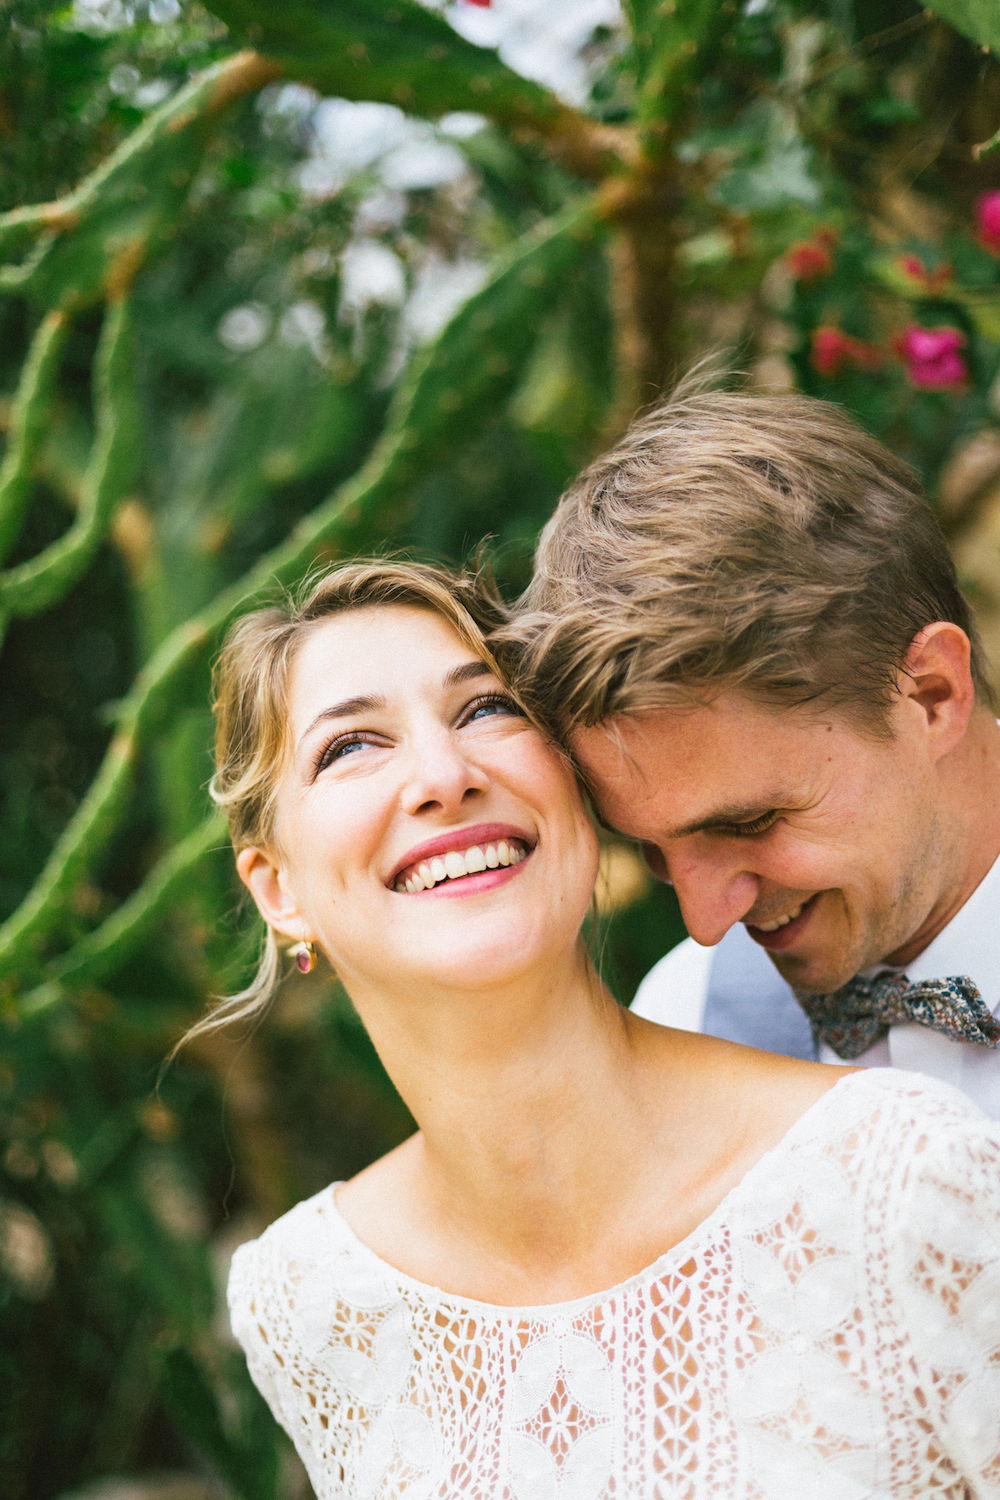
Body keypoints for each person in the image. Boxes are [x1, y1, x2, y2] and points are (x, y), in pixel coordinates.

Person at [213, 561, 999, 1499]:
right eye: (349, 747)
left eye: (484, 712)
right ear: (278, 889)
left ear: (579, 786)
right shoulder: (307, 1304)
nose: (443, 775)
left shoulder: (902, 1173)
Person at [503, 388, 1000, 1120]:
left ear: (930, 695)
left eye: (752, 822)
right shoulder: (688, 1014)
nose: (706, 922)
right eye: (654, 852)